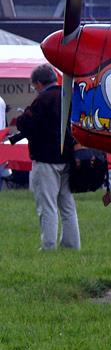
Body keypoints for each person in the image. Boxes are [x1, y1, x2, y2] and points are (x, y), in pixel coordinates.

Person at [10, 64, 80, 251]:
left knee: (47, 205)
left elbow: (26, 123)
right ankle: (72, 245)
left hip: (46, 159)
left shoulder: (43, 99)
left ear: (39, 83)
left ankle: (48, 246)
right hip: (68, 157)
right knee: (67, 204)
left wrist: (23, 114)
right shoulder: (68, 95)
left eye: (34, 86)